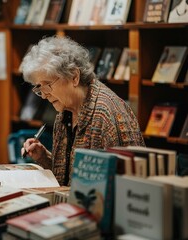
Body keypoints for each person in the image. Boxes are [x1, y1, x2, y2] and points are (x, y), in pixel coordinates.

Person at [20, 36, 145, 186]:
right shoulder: (65, 111)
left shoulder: (109, 115)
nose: (44, 95)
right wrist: (44, 158)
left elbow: (130, 185)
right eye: (39, 88)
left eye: (47, 85)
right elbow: (70, 179)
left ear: (74, 76)